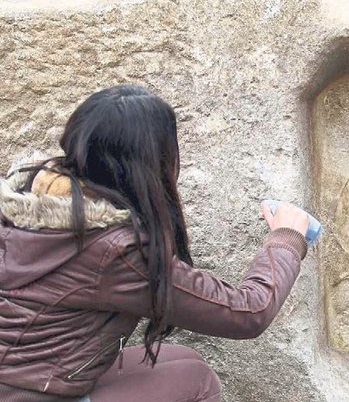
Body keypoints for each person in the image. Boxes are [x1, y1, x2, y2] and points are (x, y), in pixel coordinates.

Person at [0, 85, 311, 402]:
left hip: (29, 378)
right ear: (150, 162)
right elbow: (248, 312)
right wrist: (287, 237)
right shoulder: (113, 250)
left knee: (180, 358)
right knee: (198, 381)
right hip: (29, 393)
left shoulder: (29, 200)